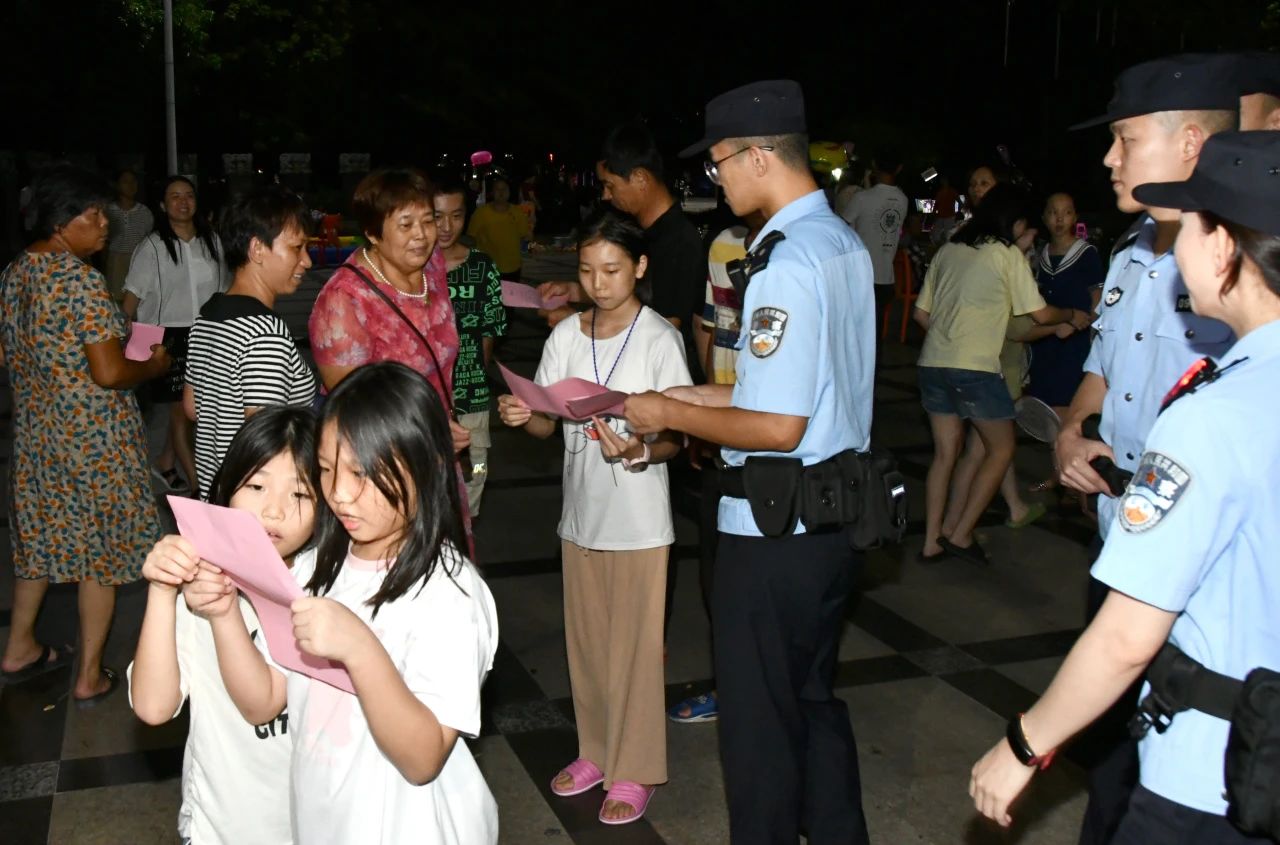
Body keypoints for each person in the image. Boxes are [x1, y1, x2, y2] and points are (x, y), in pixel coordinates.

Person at [972, 129, 1280, 845]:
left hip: (1210, 778)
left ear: (1225, 247)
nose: (1176, 246)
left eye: (1191, 225)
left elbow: (1126, 638)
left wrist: (1023, 745)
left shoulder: (1210, 417)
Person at [623, 79, 875, 844]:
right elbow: (796, 384)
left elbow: (777, 422)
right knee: (812, 704)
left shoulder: (789, 262)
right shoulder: (840, 242)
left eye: (721, 162)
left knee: (760, 733)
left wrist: (667, 412)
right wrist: (692, 391)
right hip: (832, 521)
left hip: (774, 530)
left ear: (760, 156)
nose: (717, 179)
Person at [1054, 54, 1241, 845]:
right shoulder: (1135, 248)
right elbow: (1105, 359)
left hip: (1189, 564)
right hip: (1116, 530)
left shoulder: (1236, 265)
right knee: (1110, 759)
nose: (1109, 158)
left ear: (1190, 143)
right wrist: (1073, 426)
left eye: (1125, 140)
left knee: (1157, 771)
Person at [199, 362, 499, 844]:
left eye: (362, 474)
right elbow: (265, 702)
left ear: (429, 467)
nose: (338, 494)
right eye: (325, 468)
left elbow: (422, 760)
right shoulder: (315, 567)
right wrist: (222, 613)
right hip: (326, 817)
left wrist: (360, 648)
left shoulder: (451, 594)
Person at [498, 210, 691, 824]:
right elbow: (545, 422)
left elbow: (678, 438)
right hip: (580, 518)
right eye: (586, 271)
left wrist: (639, 448)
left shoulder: (660, 338)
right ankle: (596, 752)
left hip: (637, 522)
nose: (599, 282)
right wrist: (520, 411)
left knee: (634, 650)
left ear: (639, 267)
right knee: (586, 648)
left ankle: (636, 769)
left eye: (612, 269)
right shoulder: (565, 337)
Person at [0, 165, 169, 703]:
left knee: (43, 544)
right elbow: (110, 373)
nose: (104, 226)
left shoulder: (15, 273)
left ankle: (20, 645)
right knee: (100, 554)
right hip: (94, 441)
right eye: (92, 216)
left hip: (38, 437)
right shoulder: (81, 281)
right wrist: (154, 365)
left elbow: (6, 353)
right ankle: (88, 675)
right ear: (58, 222)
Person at [129, 406, 316, 845]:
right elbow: (153, 707)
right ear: (227, 487)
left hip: (316, 822)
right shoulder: (201, 582)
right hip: (222, 826)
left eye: (301, 494)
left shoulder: (332, 586)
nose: (274, 510)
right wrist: (162, 588)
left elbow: (266, 704)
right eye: (256, 485)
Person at [914, 184, 1090, 564]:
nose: (1029, 238)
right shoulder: (1005, 254)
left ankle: (931, 541)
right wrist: (1072, 315)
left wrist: (951, 340)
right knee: (1002, 447)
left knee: (945, 454)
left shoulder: (949, 250)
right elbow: (1041, 315)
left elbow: (921, 314)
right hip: (976, 368)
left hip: (932, 364)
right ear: (1017, 223)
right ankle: (960, 535)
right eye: (1028, 229)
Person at [668, 210, 765, 725]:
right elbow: (711, 328)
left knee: (759, 575)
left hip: (773, 443)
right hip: (723, 431)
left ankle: (756, 689)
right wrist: (707, 416)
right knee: (715, 568)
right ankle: (728, 684)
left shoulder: (799, 250)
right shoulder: (724, 245)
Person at [308, 168, 469, 454]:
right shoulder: (343, 301)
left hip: (439, 440)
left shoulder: (431, 265)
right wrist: (426, 432)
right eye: (406, 225)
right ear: (372, 233)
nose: (422, 235)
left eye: (428, 221)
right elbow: (354, 406)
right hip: (381, 455)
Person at [541, 123, 708, 381]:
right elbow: (635, 293)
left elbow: (663, 327)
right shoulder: (640, 229)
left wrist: (579, 326)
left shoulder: (678, 241)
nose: (606, 196)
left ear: (640, 178)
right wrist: (575, 291)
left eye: (610, 185)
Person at [184, 185, 317, 499]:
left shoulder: (207, 316)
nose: (307, 262)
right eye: (297, 248)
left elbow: (191, 408)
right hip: (257, 508)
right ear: (257, 249)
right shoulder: (266, 332)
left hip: (216, 493)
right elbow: (266, 441)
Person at [124, 175, 230, 494]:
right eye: (174, 196)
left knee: (190, 410)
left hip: (207, 332)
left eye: (188, 196)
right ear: (162, 205)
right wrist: (123, 345)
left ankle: (165, 462)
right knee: (184, 411)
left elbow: (224, 289)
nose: (183, 202)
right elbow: (130, 300)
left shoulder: (212, 241)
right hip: (167, 338)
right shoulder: (152, 247)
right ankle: (201, 487)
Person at [434, 175, 507, 517]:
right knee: (432, 472)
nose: (447, 227)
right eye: (437, 216)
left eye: (456, 215)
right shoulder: (414, 269)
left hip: (472, 392)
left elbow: (491, 329)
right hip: (427, 395)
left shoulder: (482, 267)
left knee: (478, 464)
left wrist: (478, 374)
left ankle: (470, 515)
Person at [1028, 192, 1103, 413]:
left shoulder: (1086, 253)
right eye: (1053, 213)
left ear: (1075, 217)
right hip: (1044, 341)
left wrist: (1085, 325)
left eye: (1066, 213)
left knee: (1067, 407)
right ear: (1043, 217)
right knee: (1045, 408)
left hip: (1074, 341)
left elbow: (1097, 298)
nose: (1059, 219)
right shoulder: (1039, 255)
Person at [839, 151, 908, 323]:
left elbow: (841, 227)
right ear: (899, 169)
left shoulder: (861, 198)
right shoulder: (903, 200)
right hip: (885, 279)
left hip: (859, 278)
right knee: (874, 334)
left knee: (855, 334)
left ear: (874, 166)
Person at [466, 175, 531, 281]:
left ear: (509, 191)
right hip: (488, 268)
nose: (501, 192)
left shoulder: (517, 212)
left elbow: (524, 236)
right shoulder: (481, 213)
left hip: (512, 267)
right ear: (492, 192)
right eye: (497, 189)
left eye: (504, 189)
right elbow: (471, 238)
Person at [103, 168, 153, 302]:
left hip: (139, 260)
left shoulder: (144, 212)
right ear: (117, 185)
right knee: (116, 299)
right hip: (116, 260)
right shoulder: (108, 210)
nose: (130, 185)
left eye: (133, 181)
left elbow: (149, 240)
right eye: (125, 182)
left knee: (139, 297)